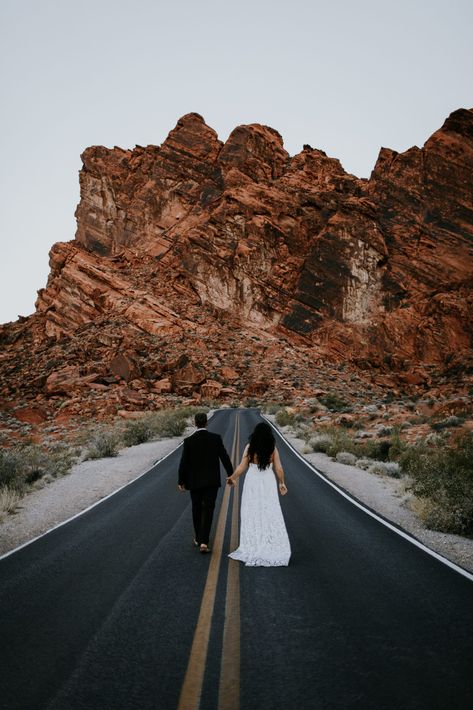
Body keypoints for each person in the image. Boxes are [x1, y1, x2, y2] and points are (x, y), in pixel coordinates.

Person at [227, 422, 291, 566]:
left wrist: (233, 477)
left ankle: (253, 542)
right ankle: (270, 542)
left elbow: (242, 466)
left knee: (252, 511)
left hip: (252, 481)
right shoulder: (272, 448)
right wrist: (282, 483)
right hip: (267, 480)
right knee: (269, 510)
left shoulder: (250, 448)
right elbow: (279, 468)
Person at [178, 412, 233, 553]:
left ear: (195, 423)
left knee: (196, 509)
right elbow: (224, 457)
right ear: (206, 423)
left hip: (194, 482)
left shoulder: (188, 441)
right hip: (211, 482)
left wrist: (181, 481)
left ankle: (197, 537)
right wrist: (231, 474)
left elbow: (183, 463)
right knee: (208, 510)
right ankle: (204, 542)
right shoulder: (215, 439)